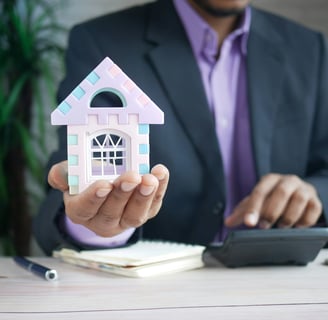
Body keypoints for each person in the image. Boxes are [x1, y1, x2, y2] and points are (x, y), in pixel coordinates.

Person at [34, 0, 328, 255]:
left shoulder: (308, 48)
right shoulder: (102, 42)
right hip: (155, 291)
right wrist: (95, 224)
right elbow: (75, 176)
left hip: (282, 278)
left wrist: (314, 193)